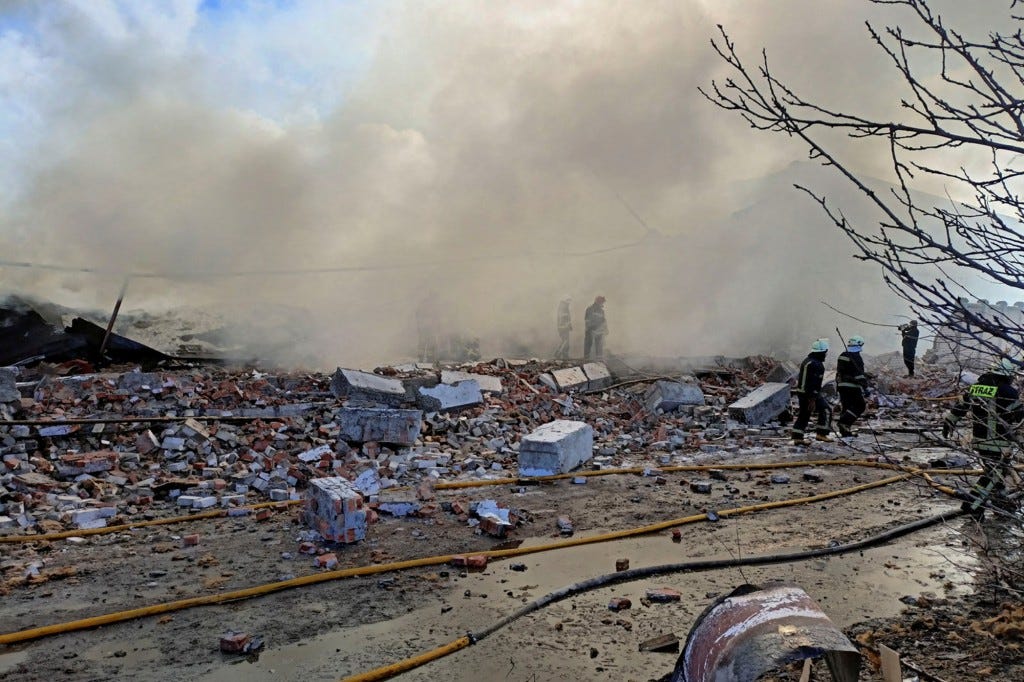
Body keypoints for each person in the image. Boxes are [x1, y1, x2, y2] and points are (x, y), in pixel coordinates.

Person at [943, 357, 1023, 519]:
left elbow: (960, 408)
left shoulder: (976, 387)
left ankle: (1001, 505)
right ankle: (971, 503)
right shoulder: (1007, 391)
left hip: (979, 441)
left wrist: (949, 423)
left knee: (996, 473)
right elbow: (1016, 416)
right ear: (1006, 375)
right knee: (995, 475)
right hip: (999, 442)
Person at [792, 338, 833, 445]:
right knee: (826, 410)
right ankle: (822, 433)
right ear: (821, 352)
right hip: (810, 394)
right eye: (825, 352)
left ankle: (797, 437)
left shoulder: (807, 361)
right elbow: (814, 383)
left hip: (802, 392)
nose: (826, 354)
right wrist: (812, 399)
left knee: (804, 414)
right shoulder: (817, 364)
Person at [836, 335, 869, 437]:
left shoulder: (842, 355)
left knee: (846, 407)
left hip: (841, 385)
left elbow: (842, 370)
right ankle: (844, 422)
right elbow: (858, 374)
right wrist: (865, 386)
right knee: (860, 405)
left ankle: (845, 431)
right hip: (852, 386)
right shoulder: (856, 357)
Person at [583, 295, 608, 360]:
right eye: (602, 302)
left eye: (603, 302)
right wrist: (590, 328)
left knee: (599, 346)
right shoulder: (590, 309)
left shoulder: (601, 311)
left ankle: (599, 360)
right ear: (598, 302)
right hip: (590, 331)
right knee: (588, 344)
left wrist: (606, 328)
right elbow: (587, 320)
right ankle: (586, 359)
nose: (602, 303)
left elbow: (603, 321)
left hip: (599, 331)